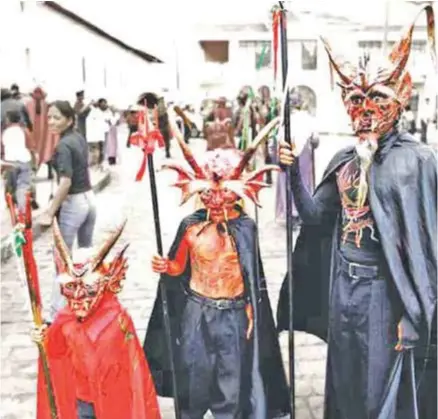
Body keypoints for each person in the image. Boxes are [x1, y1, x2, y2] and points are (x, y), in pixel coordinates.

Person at [276, 6, 437, 419]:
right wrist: (293, 171)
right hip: (342, 287)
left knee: (378, 386)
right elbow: (314, 218)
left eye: (376, 99)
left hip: (385, 292)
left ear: (399, 102)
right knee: (344, 379)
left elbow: (425, 250)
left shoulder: (416, 162)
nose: (364, 109)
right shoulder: (345, 158)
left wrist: (414, 316)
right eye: (355, 99)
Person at [144, 117, 290, 419]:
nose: (216, 202)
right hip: (196, 312)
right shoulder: (191, 226)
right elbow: (178, 268)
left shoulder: (246, 228)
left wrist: (251, 306)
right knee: (193, 380)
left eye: (224, 195)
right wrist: (165, 265)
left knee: (232, 385)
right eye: (209, 195)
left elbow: (253, 276)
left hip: (235, 314)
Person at [30, 220, 162, 419]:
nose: (79, 299)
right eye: (71, 289)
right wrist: (43, 339)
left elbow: (133, 371)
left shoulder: (118, 319)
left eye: (88, 291)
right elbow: (55, 354)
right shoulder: (65, 319)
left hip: (114, 403)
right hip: (81, 400)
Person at [40, 100, 97, 320]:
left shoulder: (63, 145)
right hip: (89, 198)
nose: (52, 122)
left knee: (62, 260)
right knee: (85, 256)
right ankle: (88, 302)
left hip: (74, 202)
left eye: (57, 118)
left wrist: (50, 211)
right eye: (50, 117)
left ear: (69, 120)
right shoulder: (78, 138)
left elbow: (65, 182)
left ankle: (55, 313)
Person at [275, 91, 319, 226]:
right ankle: (301, 211)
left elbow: (278, 139)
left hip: (288, 153)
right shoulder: (307, 118)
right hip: (304, 154)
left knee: (288, 182)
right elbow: (316, 139)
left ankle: (291, 213)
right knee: (303, 182)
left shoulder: (284, 119)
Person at [24, 85, 59, 180]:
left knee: (36, 152)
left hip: (38, 133)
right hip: (39, 133)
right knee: (44, 152)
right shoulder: (43, 104)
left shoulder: (33, 104)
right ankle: (44, 172)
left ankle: (34, 172)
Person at [1, 110, 32, 211]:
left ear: (8, 120)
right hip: (24, 161)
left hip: (9, 162)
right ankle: (22, 211)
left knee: (10, 187)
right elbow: (31, 147)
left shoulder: (4, 132)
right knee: (22, 187)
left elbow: (1, 149)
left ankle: (11, 209)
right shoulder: (24, 130)